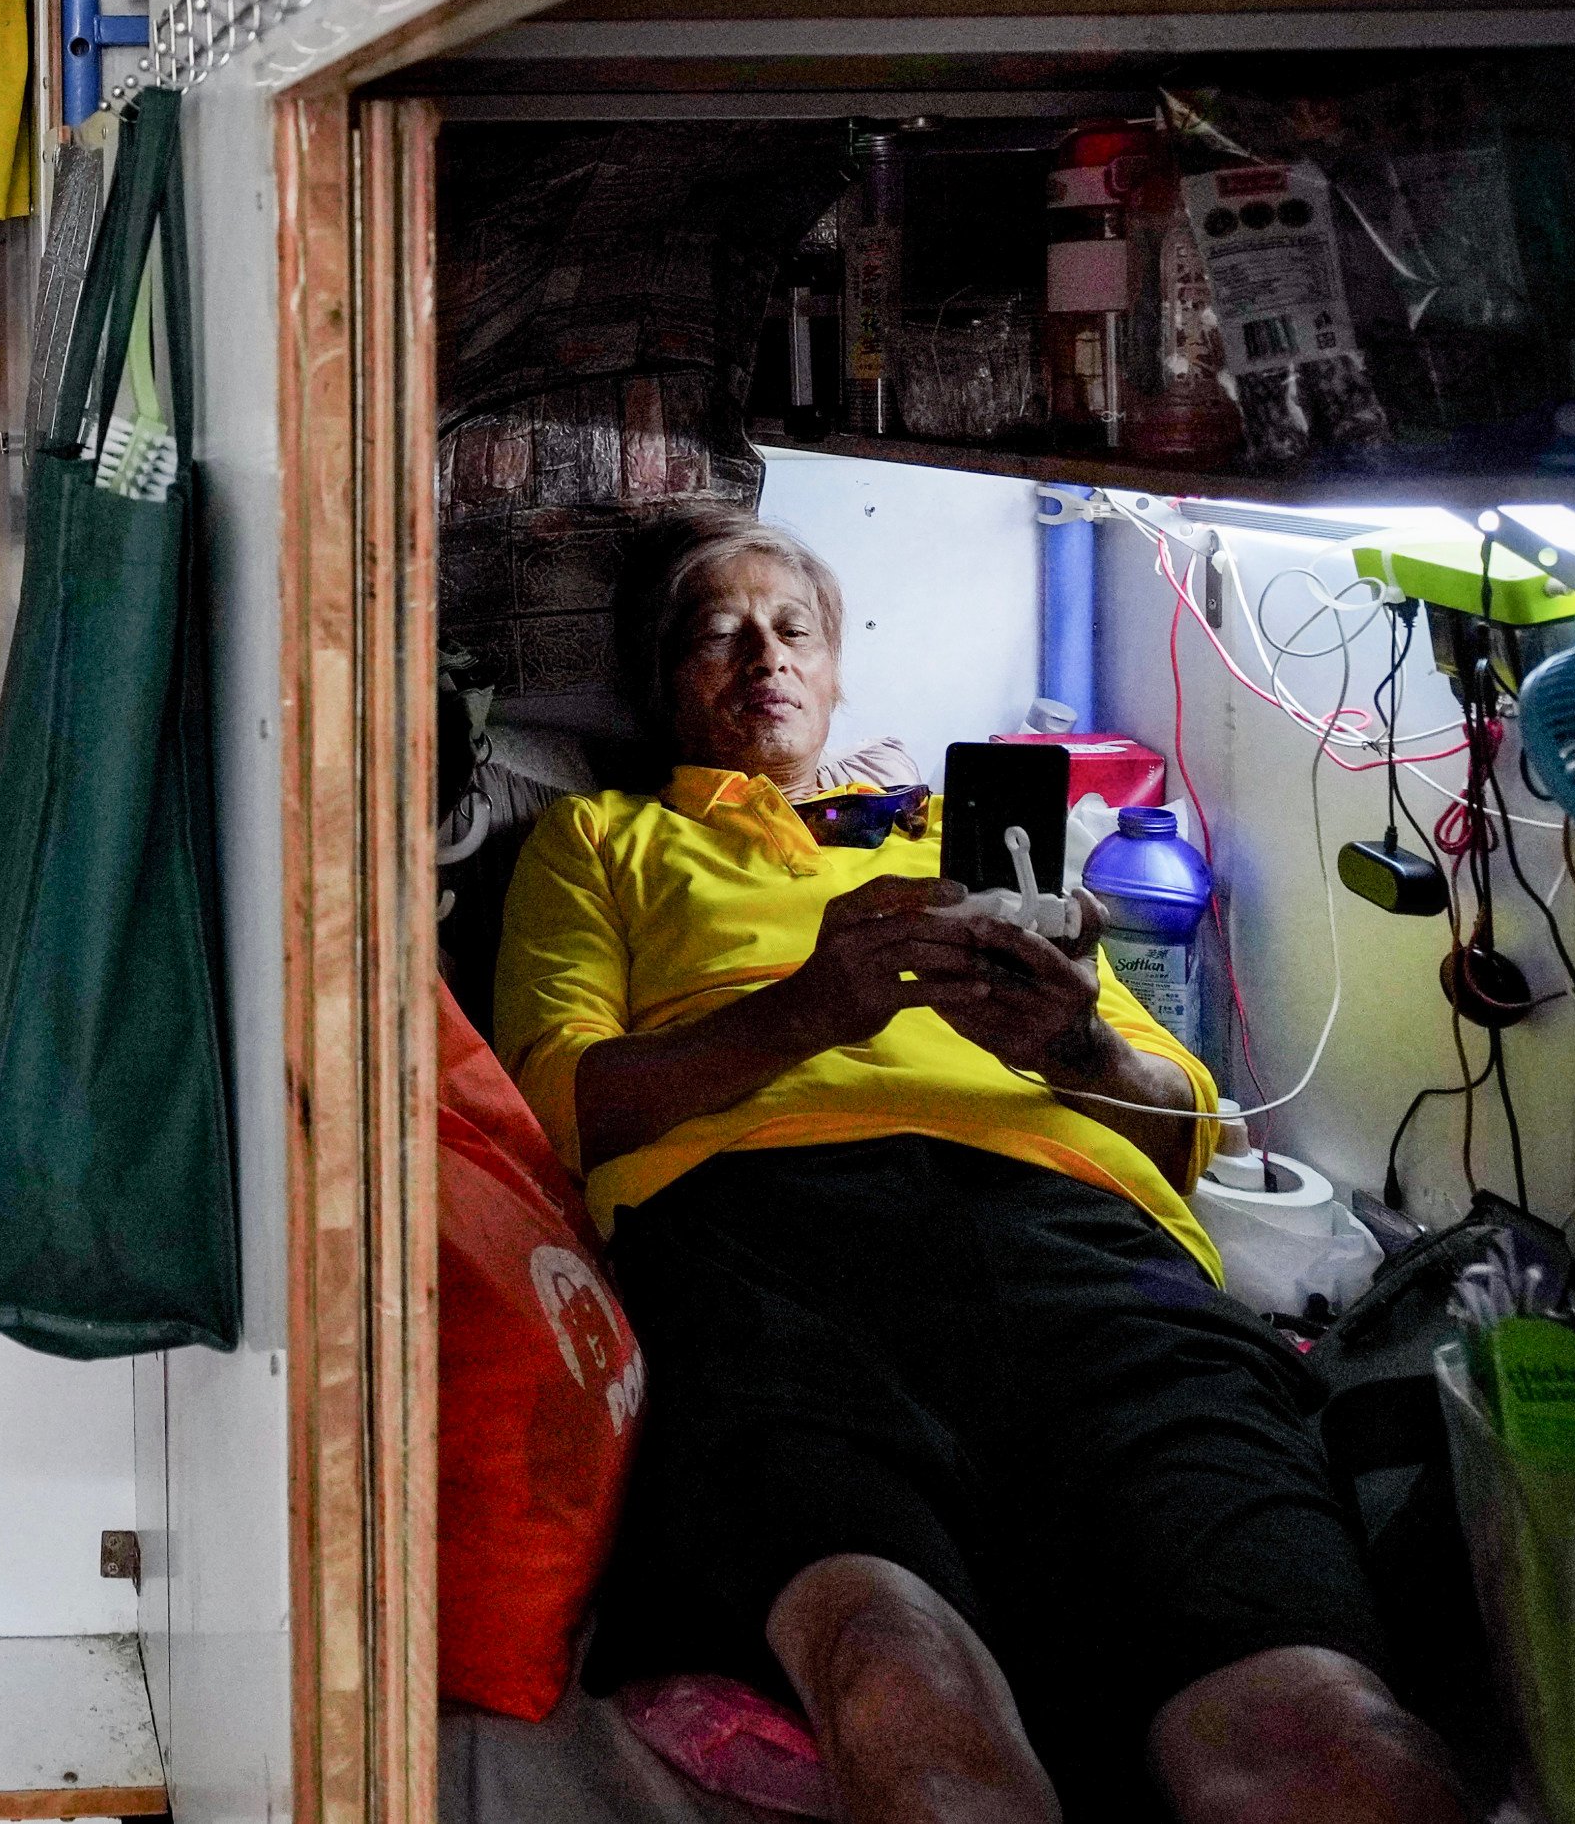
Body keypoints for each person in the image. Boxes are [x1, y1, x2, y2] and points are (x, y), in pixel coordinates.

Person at [494, 515, 1466, 1824]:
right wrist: (805, 1011)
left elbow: (1184, 1122)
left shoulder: (970, 835)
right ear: (662, 683)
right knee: (901, 1690)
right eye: (718, 634)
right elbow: (560, 1105)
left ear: (837, 670)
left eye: (793, 629)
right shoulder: (601, 839)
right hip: (764, 1239)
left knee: (1339, 1739)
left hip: (1078, 1237)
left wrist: (1075, 1043)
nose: (764, 657)